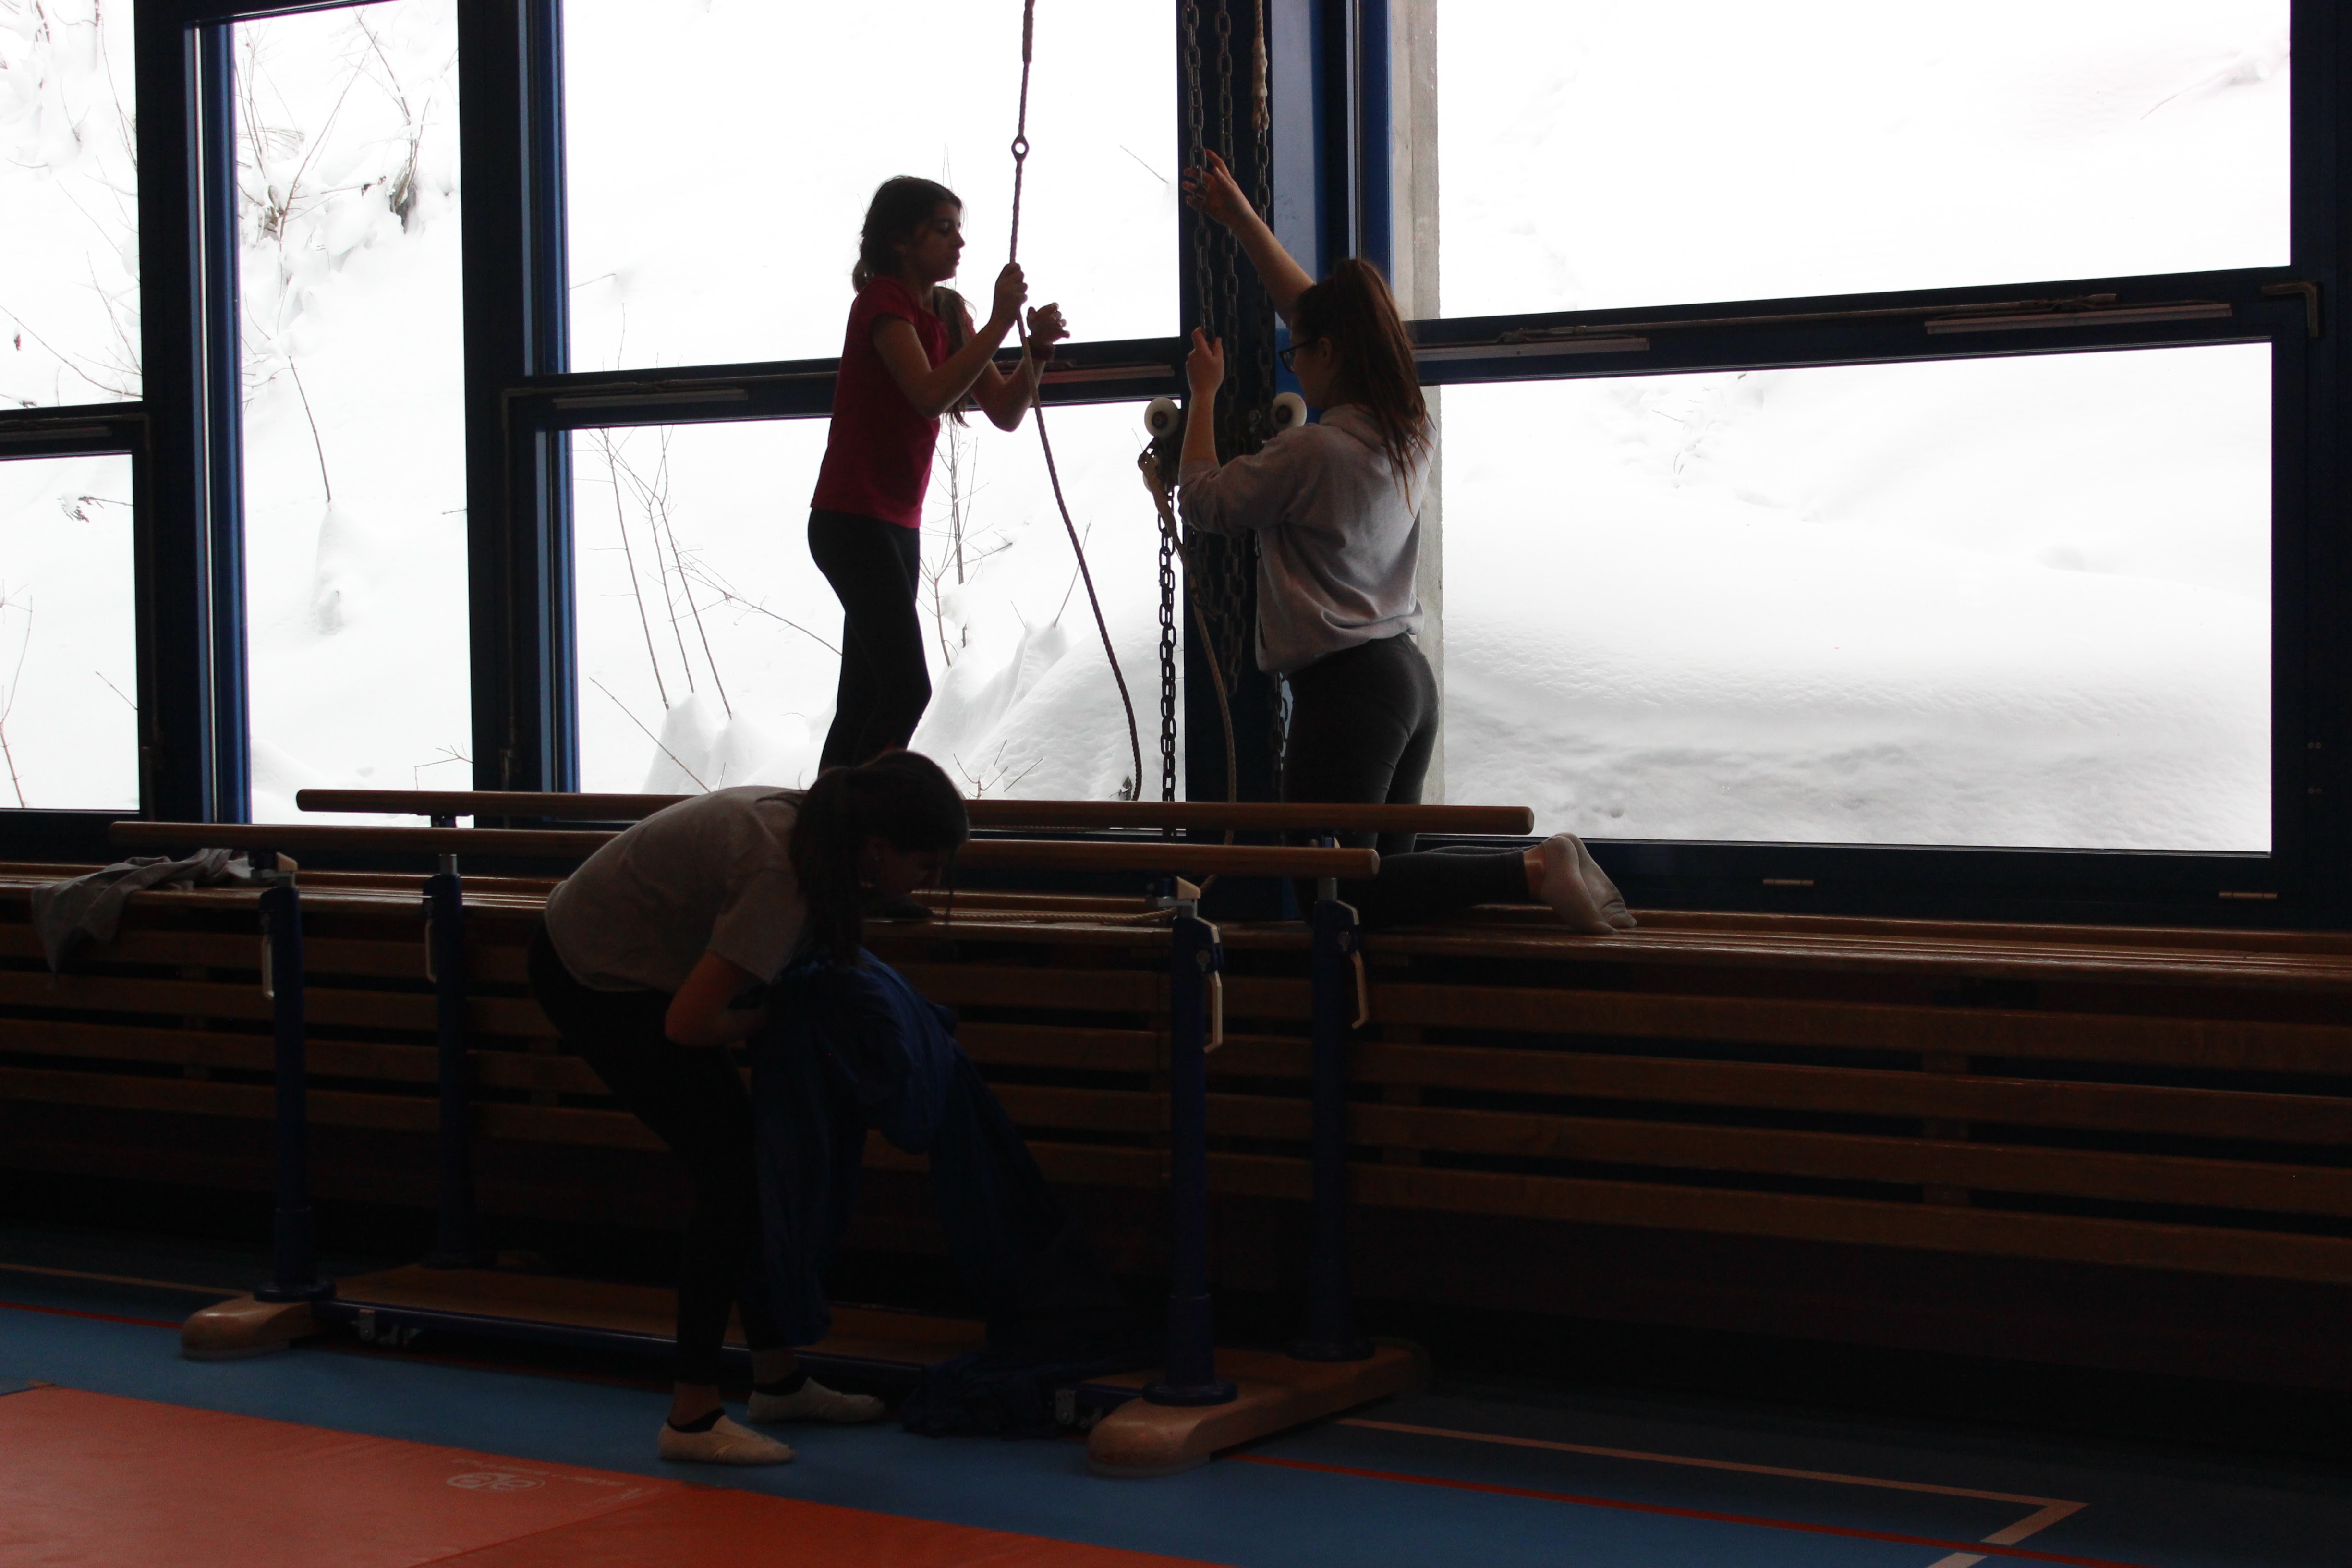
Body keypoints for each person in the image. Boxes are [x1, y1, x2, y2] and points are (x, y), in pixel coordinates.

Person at [1176, 149, 1631, 933]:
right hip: (1401, 681)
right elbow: (1314, 313)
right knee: (1379, 894)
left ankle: (1533, 868)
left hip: (1344, 694)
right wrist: (1243, 219)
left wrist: (1204, 396)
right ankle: (1534, 872)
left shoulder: (1310, 453)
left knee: (1335, 889)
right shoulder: (1406, 430)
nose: (1295, 367)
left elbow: (1204, 501)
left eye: (1297, 354)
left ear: (1330, 354)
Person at [527, 751, 970, 1466]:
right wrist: (777, 1019)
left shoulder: (822, 832)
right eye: (926, 864)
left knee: (748, 1170)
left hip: (641, 957)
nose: (934, 879)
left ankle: (777, 1381)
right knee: (731, 1180)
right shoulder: (781, 878)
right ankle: (691, 1415)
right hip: (594, 974)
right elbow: (687, 1025)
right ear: (877, 848)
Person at [809, 176, 1071, 773]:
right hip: (850, 519)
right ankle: (860, 811)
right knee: (905, 688)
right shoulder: (881, 304)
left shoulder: (947, 313)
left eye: (959, 230)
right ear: (902, 242)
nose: (959, 243)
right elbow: (928, 394)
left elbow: (1004, 410)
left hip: (893, 524)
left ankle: (831, 814)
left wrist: (1035, 350)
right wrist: (1001, 323)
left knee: (866, 695)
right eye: (943, 230)